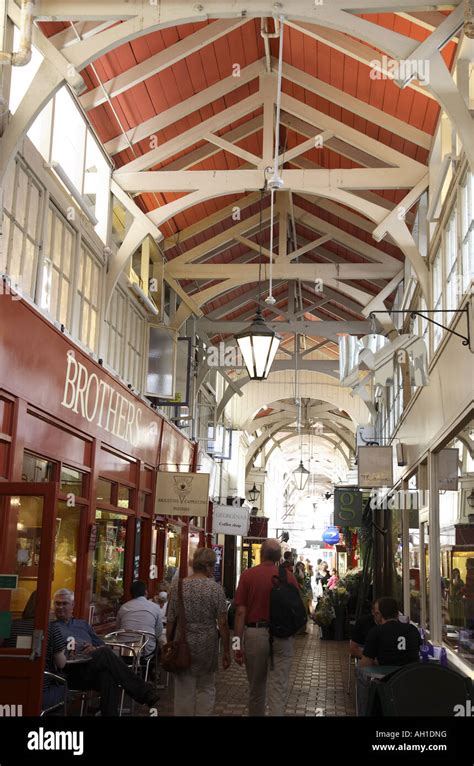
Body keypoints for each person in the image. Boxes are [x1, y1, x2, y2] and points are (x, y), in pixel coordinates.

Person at [52, 589, 159, 716]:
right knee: (105, 656)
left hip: (88, 668)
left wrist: (94, 648)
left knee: (107, 674)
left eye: (64, 603)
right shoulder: (51, 627)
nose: (60, 607)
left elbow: (101, 645)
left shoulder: (82, 625)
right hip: (68, 673)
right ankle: (145, 692)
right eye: (57, 604)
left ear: (72, 606)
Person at [233, 539, 299, 716]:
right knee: (278, 688)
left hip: (255, 634)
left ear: (261, 554)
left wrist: (236, 644)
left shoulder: (248, 575)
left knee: (256, 688)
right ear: (279, 557)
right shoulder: (289, 577)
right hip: (283, 636)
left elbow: (240, 612)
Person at [166, 547, 230, 716]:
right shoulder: (215, 589)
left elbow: (171, 620)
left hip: (182, 643)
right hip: (207, 644)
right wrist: (226, 651)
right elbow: (222, 623)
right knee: (206, 688)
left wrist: (169, 643)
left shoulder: (178, 586)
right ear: (208, 566)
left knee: (183, 689)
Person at [1, 591, 68, 712]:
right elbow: (61, 663)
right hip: (39, 691)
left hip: (8, 689)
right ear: (47, 607)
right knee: (63, 687)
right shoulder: (50, 627)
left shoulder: (9, 624)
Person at [360, 597, 421, 668]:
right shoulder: (412, 629)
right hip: (410, 676)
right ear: (397, 613)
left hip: (387, 677)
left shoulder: (376, 632)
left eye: (376, 613)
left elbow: (365, 665)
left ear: (380, 614)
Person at [116, 580, 162, 656]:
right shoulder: (155, 607)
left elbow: (118, 629)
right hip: (146, 650)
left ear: (131, 593)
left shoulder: (123, 607)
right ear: (146, 592)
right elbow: (158, 632)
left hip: (124, 649)